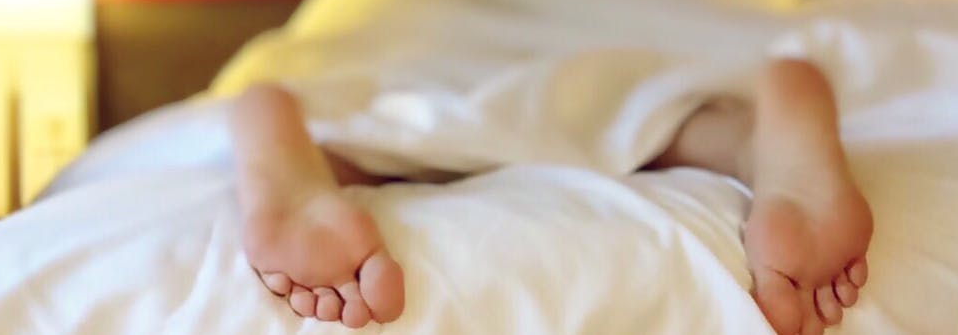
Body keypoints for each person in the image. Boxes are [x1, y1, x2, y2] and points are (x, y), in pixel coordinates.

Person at [229, 57, 873, 335]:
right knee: (662, 120)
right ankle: (755, 137)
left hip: (409, 81)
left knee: (381, 128)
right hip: (622, 75)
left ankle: (290, 145)